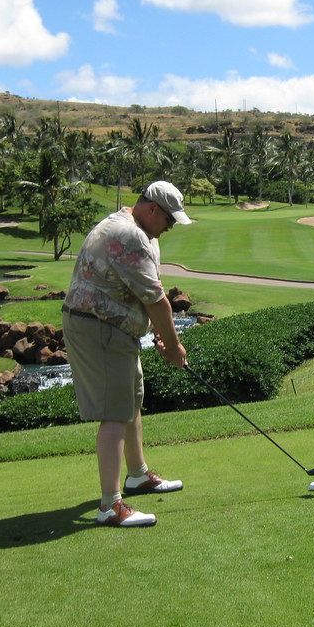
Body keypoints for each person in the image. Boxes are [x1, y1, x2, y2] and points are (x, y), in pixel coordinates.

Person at [62, 181, 193, 527]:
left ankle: (136, 474)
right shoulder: (130, 235)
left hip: (114, 328)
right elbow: (157, 301)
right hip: (98, 328)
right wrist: (174, 347)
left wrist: (158, 336)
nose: (170, 227)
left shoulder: (135, 228)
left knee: (131, 400)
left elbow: (142, 296)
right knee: (115, 412)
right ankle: (110, 506)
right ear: (152, 209)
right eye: (169, 220)